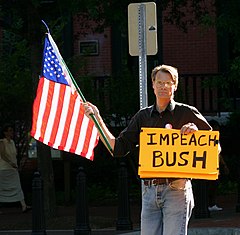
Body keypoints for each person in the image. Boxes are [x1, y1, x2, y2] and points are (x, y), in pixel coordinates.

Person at [84, 64, 213, 235]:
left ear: (175, 86)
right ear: (152, 84)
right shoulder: (142, 117)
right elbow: (118, 148)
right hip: (149, 191)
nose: (163, 87)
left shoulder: (187, 113)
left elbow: (213, 148)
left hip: (177, 190)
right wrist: (97, 119)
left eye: (168, 83)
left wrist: (196, 134)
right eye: (159, 82)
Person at [0, 124, 31, 213]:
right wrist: (10, 162)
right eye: (9, 131)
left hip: (13, 169)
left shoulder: (12, 142)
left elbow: (14, 155)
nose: (11, 133)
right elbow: (3, 154)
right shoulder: (2, 142)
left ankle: (24, 206)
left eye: (12, 131)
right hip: (3, 168)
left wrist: (15, 164)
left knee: (17, 186)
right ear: (5, 132)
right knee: (1, 188)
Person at [207, 120, 229, 212]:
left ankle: (211, 203)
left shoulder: (214, 138)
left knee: (213, 185)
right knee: (211, 186)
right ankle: (210, 204)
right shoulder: (211, 138)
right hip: (211, 164)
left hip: (214, 164)